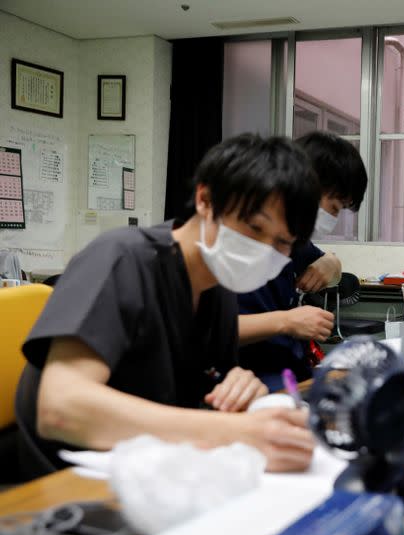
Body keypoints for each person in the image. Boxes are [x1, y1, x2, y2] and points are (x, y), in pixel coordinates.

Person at [15, 134, 320, 478]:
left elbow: (195, 392)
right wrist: (237, 432)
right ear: (205, 199)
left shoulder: (217, 287)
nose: (264, 249)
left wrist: (235, 387)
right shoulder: (122, 260)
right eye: (254, 228)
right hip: (64, 486)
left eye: (282, 243)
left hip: (158, 471)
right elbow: (61, 409)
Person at [237, 132, 368, 391]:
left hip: (290, 372)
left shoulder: (294, 240)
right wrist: (289, 321)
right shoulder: (235, 245)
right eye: (333, 207)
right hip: (250, 380)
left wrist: (330, 262)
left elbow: (329, 264)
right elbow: (206, 328)